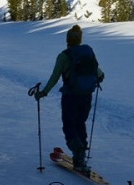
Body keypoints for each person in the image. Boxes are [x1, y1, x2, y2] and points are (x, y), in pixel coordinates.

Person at [34, 24, 104, 173]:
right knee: (80, 124)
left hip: (71, 96)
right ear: (80, 39)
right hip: (86, 96)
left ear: (67, 40)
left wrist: (43, 92)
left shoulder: (64, 56)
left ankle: (78, 154)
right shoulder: (87, 54)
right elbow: (100, 74)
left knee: (69, 126)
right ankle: (81, 156)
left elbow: (54, 77)